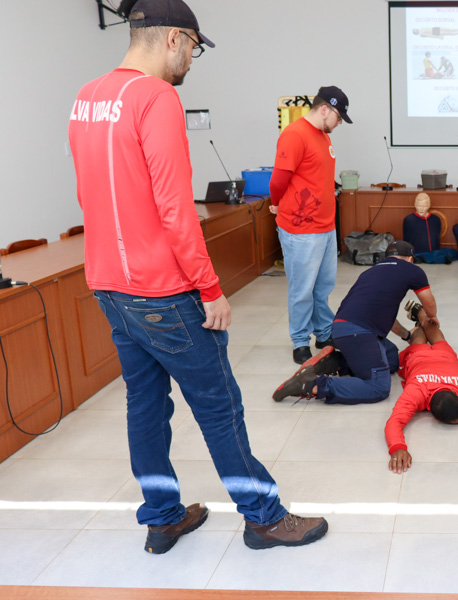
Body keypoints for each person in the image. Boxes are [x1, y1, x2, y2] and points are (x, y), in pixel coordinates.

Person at [67, 0, 326, 554]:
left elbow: (89, 194)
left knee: (145, 405)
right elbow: (175, 209)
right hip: (161, 290)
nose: (191, 59)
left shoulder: (87, 96)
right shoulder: (157, 97)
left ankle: (162, 518)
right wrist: (209, 288)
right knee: (218, 406)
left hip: (108, 285)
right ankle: (264, 517)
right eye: (193, 47)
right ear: (173, 39)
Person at [272, 241, 439, 404]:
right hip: (358, 333)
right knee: (378, 387)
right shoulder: (412, 269)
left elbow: (385, 317)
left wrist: (407, 335)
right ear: (410, 259)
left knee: (392, 359)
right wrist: (431, 316)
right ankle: (311, 385)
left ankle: (338, 361)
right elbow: (428, 302)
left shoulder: (371, 271)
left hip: (341, 328)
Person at [269, 85, 352, 365]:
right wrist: (277, 203)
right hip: (301, 230)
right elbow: (278, 180)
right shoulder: (295, 134)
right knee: (302, 290)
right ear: (325, 109)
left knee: (322, 287)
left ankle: (324, 333)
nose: (339, 123)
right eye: (339, 117)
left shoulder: (323, 136)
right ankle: (300, 341)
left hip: (326, 227)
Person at [386, 309, 458, 474]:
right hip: (432, 355)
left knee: (423, 338)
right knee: (430, 338)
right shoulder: (417, 392)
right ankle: (421, 316)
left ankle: (421, 315)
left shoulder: (418, 391)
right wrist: (397, 448)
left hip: (425, 355)